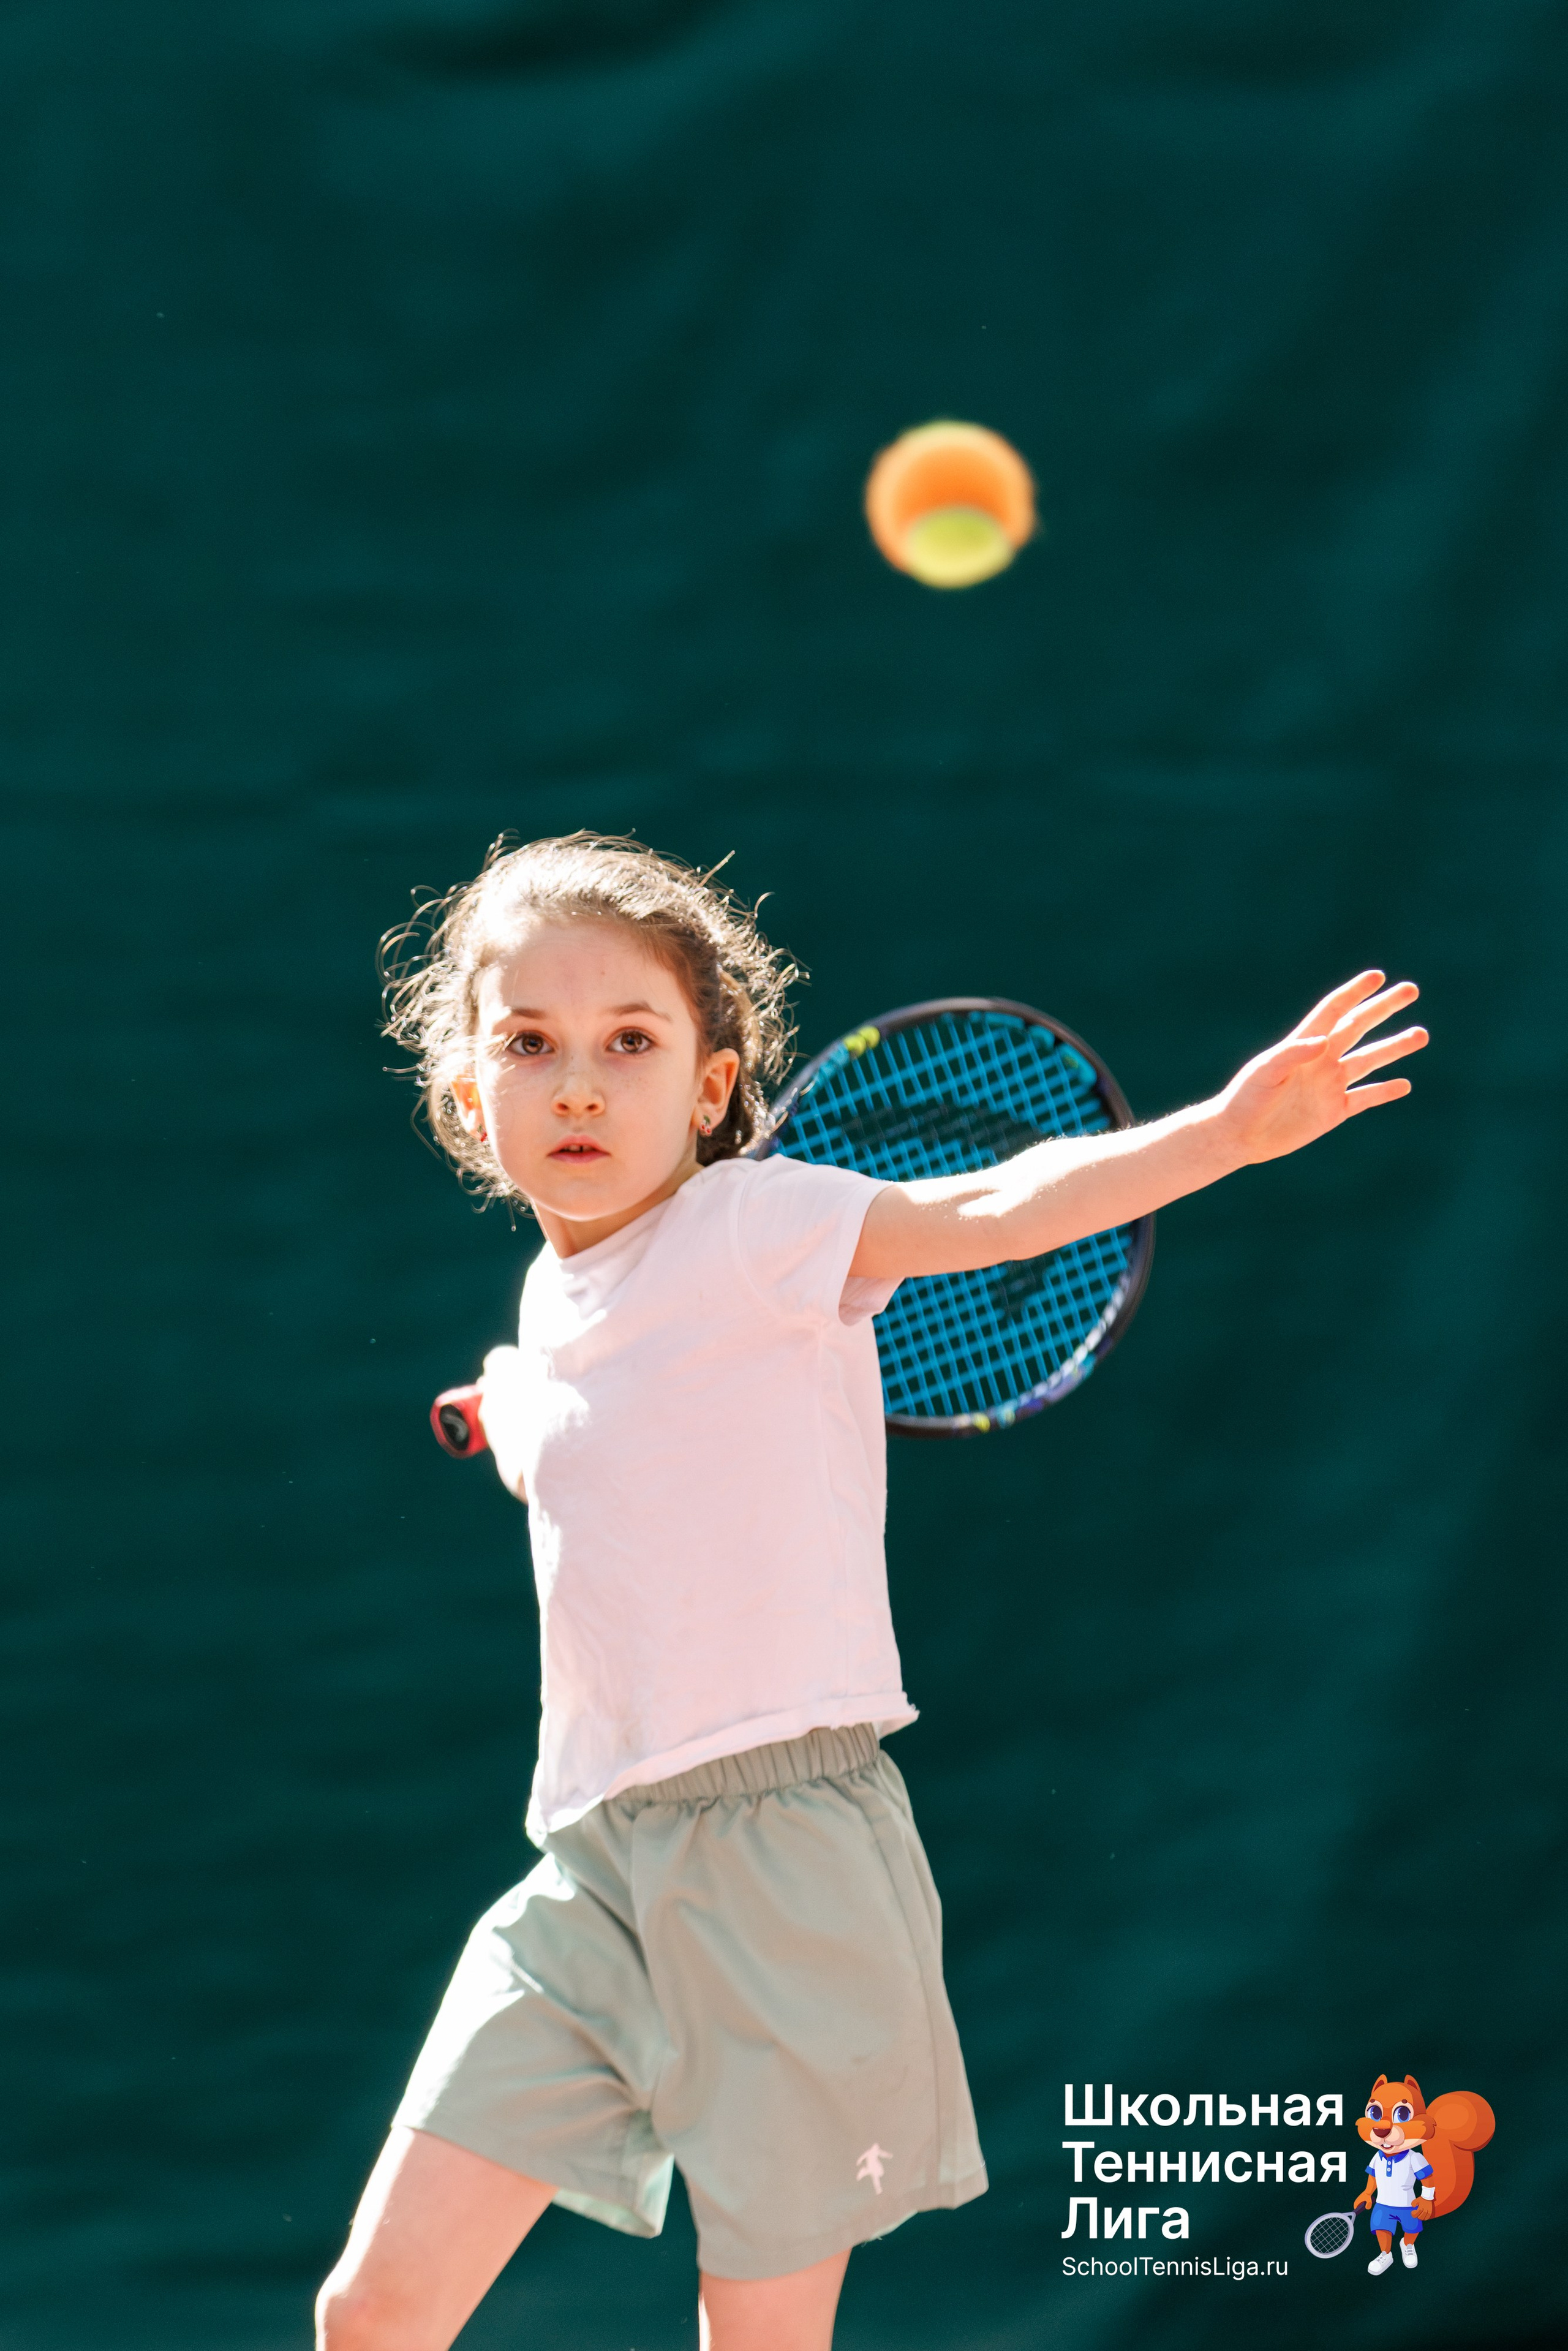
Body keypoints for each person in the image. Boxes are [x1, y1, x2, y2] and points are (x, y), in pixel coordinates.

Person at [317, 832, 1427, 2351]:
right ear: (466, 1093)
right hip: (589, 1877)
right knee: (372, 2312)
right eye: (530, 1044)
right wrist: (513, 1408)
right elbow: (578, 1455)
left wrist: (1223, 1131)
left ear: (708, 1090)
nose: (578, 1082)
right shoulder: (547, 1300)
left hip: (789, 1862)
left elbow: (993, 1209)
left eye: (628, 1042)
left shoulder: (761, 1229)